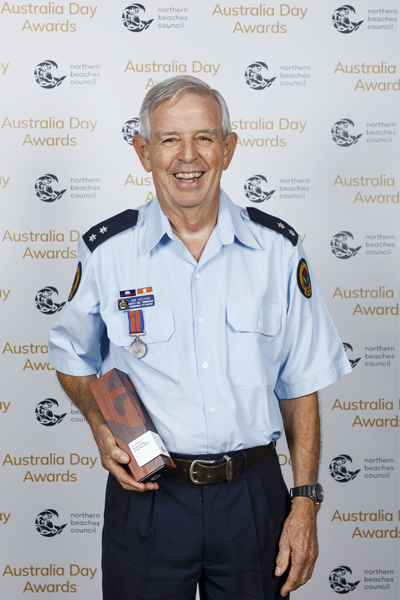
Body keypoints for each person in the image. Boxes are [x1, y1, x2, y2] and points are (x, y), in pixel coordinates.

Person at [49, 75, 351, 600]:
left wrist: (304, 500)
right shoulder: (107, 252)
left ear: (228, 149)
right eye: (168, 139)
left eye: (205, 137)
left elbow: (301, 384)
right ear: (144, 152)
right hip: (148, 497)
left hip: (252, 499)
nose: (187, 157)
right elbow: (71, 353)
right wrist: (100, 425)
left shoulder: (278, 250)